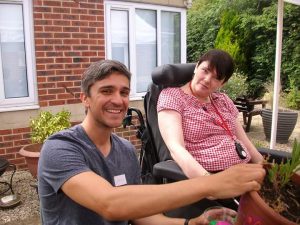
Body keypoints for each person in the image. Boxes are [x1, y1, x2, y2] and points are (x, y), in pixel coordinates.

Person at [38, 59, 265, 225]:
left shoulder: (125, 150)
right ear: (84, 98)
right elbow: (110, 204)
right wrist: (212, 184)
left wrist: (191, 223)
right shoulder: (59, 148)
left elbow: (137, 212)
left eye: (124, 92)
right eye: (106, 91)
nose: (118, 100)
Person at [157, 49, 264, 179]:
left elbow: (244, 141)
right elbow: (176, 148)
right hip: (213, 178)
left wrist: (265, 169)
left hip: (245, 171)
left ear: (222, 83)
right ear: (196, 67)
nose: (207, 79)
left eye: (216, 77)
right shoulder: (173, 97)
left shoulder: (223, 100)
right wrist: (209, 184)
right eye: (205, 70)